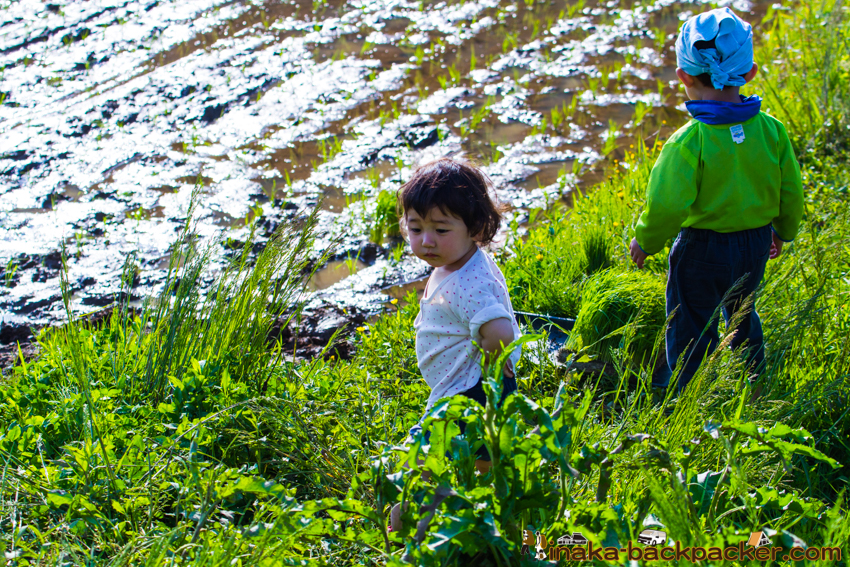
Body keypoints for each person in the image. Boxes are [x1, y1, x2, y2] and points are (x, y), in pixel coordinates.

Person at [629, 7, 804, 392]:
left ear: (683, 76)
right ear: (751, 73)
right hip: (756, 243)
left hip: (701, 250)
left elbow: (667, 204)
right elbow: (791, 191)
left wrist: (647, 240)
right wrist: (782, 231)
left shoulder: (690, 141)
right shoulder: (771, 131)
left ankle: (691, 395)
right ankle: (753, 380)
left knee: (691, 323)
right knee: (742, 313)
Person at [388, 158, 522, 533]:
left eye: (440, 229)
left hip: (468, 392)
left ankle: (409, 537)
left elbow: (498, 328)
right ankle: (490, 521)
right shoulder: (458, 263)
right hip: (475, 387)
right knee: (485, 461)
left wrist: (496, 360)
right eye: (416, 228)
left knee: (421, 467)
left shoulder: (468, 283)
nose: (426, 240)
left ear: (476, 228)